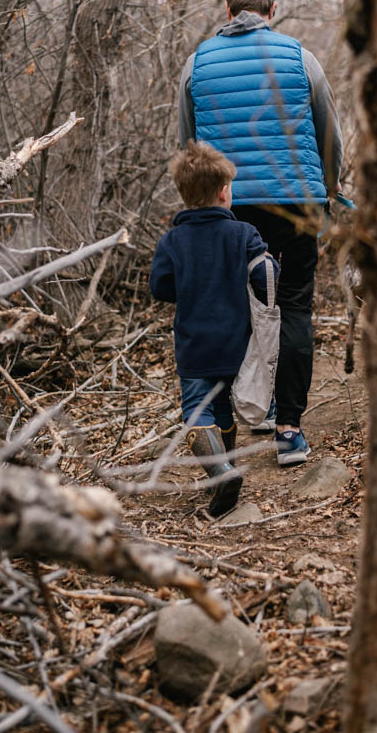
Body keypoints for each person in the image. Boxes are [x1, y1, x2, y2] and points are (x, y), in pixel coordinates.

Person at [178, 0, 343, 466]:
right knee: (292, 308)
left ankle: (228, 422)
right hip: (296, 202)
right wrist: (329, 192)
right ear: (272, 9)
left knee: (233, 310)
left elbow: (189, 147)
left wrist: (201, 207)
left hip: (227, 207)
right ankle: (289, 431)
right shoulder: (301, 58)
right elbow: (329, 133)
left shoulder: (196, 63)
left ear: (227, 9)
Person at [149, 139, 278, 517]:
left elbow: (160, 287)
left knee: (196, 410)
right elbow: (265, 271)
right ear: (225, 192)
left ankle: (221, 474)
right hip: (235, 340)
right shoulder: (244, 234)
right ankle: (229, 472)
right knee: (221, 406)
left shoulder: (173, 240)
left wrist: (188, 287)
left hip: (194, 344)